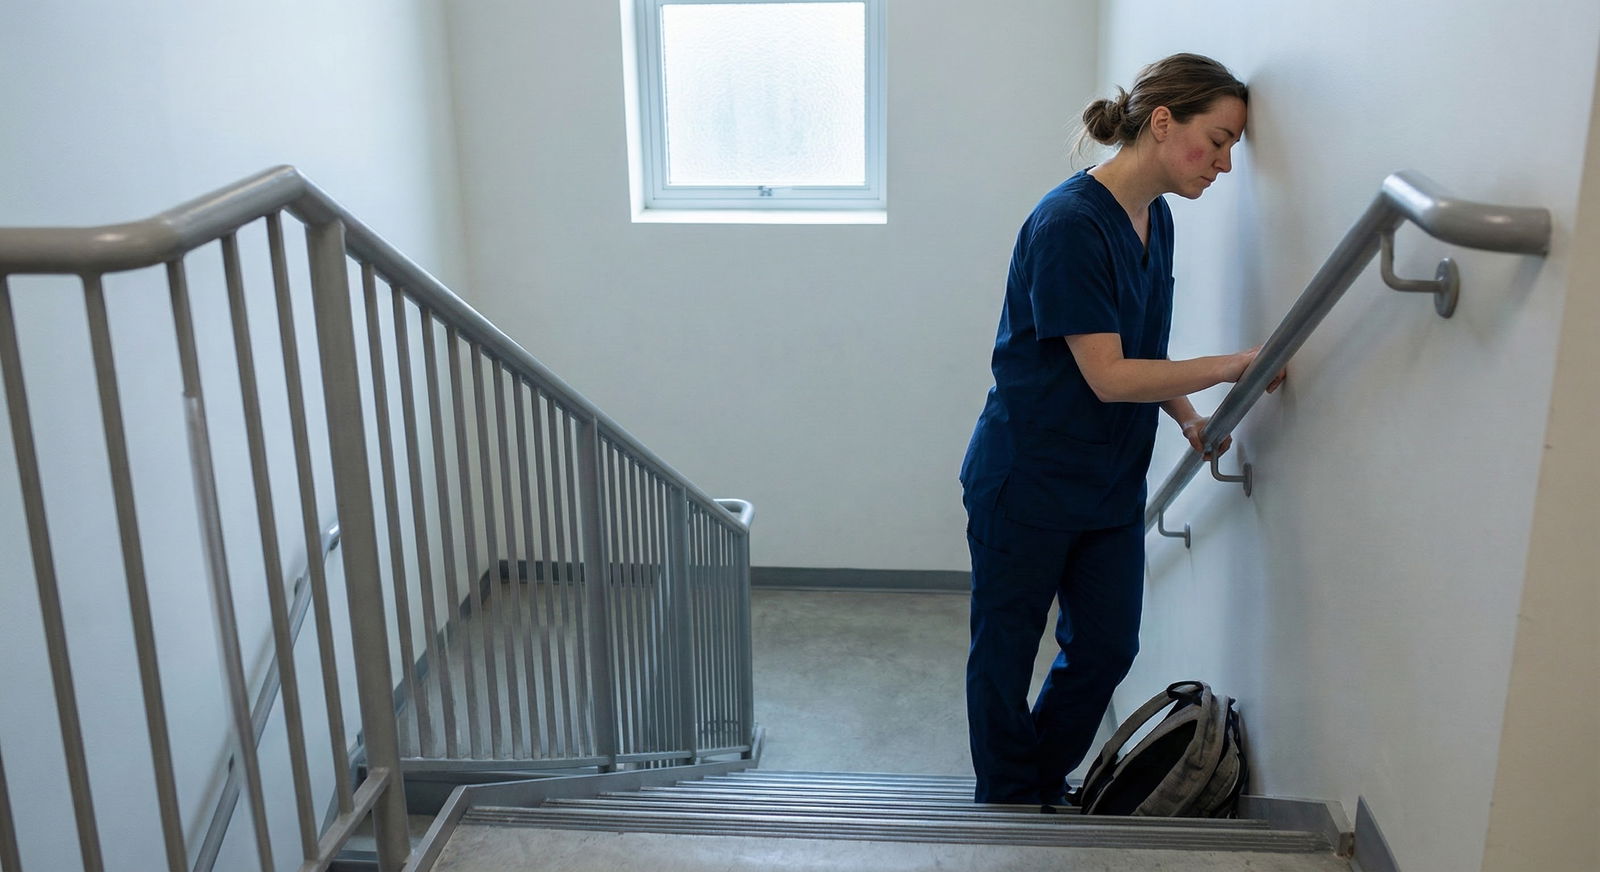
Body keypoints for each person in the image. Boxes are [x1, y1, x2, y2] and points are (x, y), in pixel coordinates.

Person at [958, 53, 1284, 807]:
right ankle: (1007, 798)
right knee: (1006, 649)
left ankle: (1036, 780)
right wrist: (1232, 364)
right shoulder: (1069, 224)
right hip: (1027, 473)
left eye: (1236, 146)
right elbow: (1107, 375)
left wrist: (1190, 415)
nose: (1227, 164)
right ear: (1163, 122)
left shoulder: (1155, 218)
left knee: (1106, 645)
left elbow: (1137, 347)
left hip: (1107, 480)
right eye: (1220, 139)